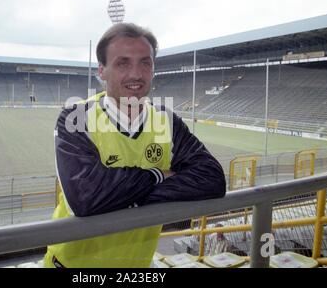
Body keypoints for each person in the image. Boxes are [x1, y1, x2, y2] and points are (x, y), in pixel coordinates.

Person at [44, 22, 226, 268]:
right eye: (122, 63)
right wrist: (158, 175)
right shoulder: (77, 118)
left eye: (145, 62)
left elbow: (212, 179)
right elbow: (86, 199)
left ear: (153, 69)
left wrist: (122, 194)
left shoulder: (166, 121)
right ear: (102, 71)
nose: (136, 74)